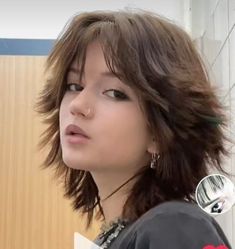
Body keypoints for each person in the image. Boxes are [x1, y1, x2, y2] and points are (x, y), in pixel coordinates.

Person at [35, 9, 233, 249]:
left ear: (160, 132)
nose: (77, 105)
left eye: (114, 93)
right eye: (74, 85)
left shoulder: (174, 226)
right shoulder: (121, 235)